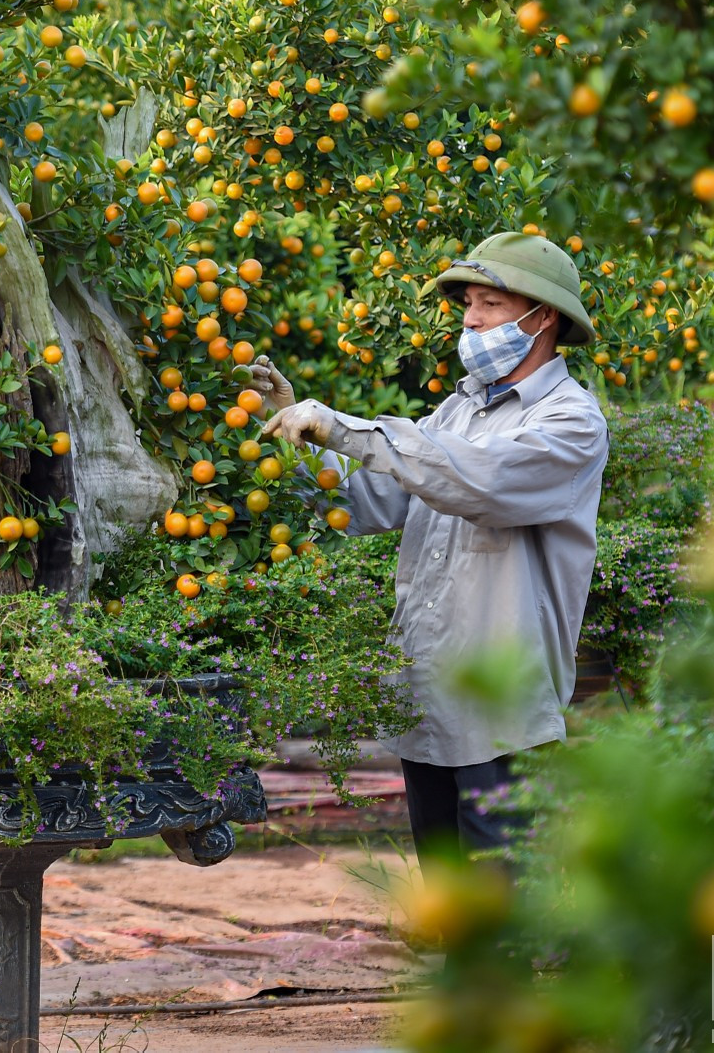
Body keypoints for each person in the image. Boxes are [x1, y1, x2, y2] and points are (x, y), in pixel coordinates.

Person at [253, 231, 608, 857]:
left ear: (543, 316)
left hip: (503, 712)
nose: (470, 320)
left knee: (502, 908)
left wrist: (345, 427)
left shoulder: (570, 422)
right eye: (468, 304)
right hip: (428, 699)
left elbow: (478, 479)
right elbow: (367, 503)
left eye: (490, 306)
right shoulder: (458, 413)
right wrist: (297, 447)